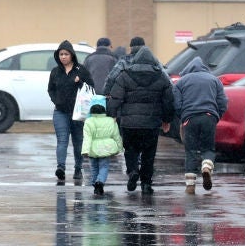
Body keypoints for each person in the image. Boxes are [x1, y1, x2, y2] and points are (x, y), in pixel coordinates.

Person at [106, 41, 175, 195]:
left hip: (129, 123)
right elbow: (168, 101)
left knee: (130, 150)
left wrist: (112, 115)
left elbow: (115, 97)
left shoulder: (125, 76)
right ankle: (146, 184)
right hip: (151, 124)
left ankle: (132, 172)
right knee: (149, 154)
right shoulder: (161, 77)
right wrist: (167, 119)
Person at [172, 56, 228, 194]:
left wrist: (182, 117)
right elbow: (222, 102)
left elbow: (176, 103)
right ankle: (206, 165)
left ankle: (190, 185)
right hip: (209, 117)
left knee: (190, 151)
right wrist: (216, 117)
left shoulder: (181, 82)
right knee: (208, 148)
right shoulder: (214, 80)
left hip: (189, 118)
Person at [47, 40, 95, 184]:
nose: (63, 57)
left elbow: (91, 88)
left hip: (78, 113)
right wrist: (56, 101)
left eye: (66, 54)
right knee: (62, 141)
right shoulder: (55, 72)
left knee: (78, 142)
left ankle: (78, 169)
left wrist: (80, 82)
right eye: (61, 54)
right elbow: (50, 89)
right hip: (60, 112)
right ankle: (60, 168)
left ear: (72, 55)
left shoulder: (81, 70)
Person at [81, 102, 123, 195]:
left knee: (94, 167)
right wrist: (120, 148)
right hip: (106, 148)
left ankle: (95, 183)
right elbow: (116, 136)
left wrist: (85, 150)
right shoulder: (111, 121)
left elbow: (87, 137)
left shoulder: (89, 121)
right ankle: (100, 182)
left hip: (93, 148)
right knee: (104, 166)